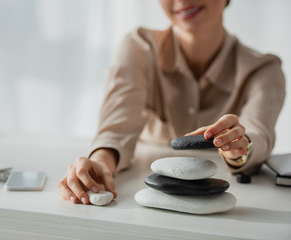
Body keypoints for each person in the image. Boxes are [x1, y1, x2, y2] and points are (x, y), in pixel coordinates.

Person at [58, 0, 286, 205]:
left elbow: (258, 133)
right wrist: (99, 163)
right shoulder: (139, 47)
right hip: (143, 191)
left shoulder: (264, 70)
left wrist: (238, 146)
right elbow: (117, 129)